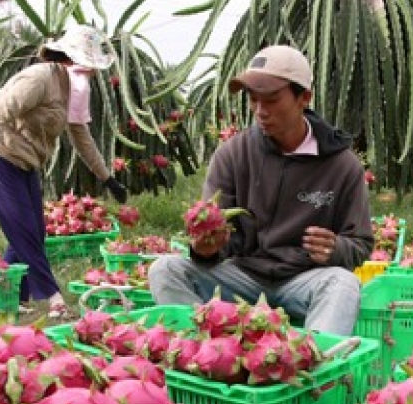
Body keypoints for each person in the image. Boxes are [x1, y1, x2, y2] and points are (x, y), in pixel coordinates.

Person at [149, 44, 373, 335]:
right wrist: (206, 248)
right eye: (253, 100)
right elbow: (216, 234)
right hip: (242, 277)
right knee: (165, 269)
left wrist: (337, 249)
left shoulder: (342, 165)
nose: (260, 111)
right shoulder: (233, 154)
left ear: (304, 98)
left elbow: (360, 243)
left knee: (343, 284)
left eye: (271, 100)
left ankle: (317, 360)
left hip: (303, 281)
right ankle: (204, 350)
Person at [0, 24, 128, 320]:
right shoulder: (38, 79)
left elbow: (82, 137)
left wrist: (107, 178)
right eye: (88, 64)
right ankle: (54, 300)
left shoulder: (75, 89)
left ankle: (8, 296)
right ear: (70, 58)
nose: (93, 72)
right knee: (24, 231)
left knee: (34, 231)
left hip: (26, 161)